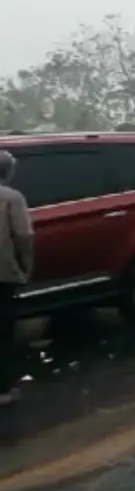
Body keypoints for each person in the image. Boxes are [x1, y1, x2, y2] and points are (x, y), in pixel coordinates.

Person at [0, 150, 34, 405]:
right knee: (3, 332)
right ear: (9, 172)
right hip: (3, 272)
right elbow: (23, 236)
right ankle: (4, 389)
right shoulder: (12, 198)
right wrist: (27, 266)